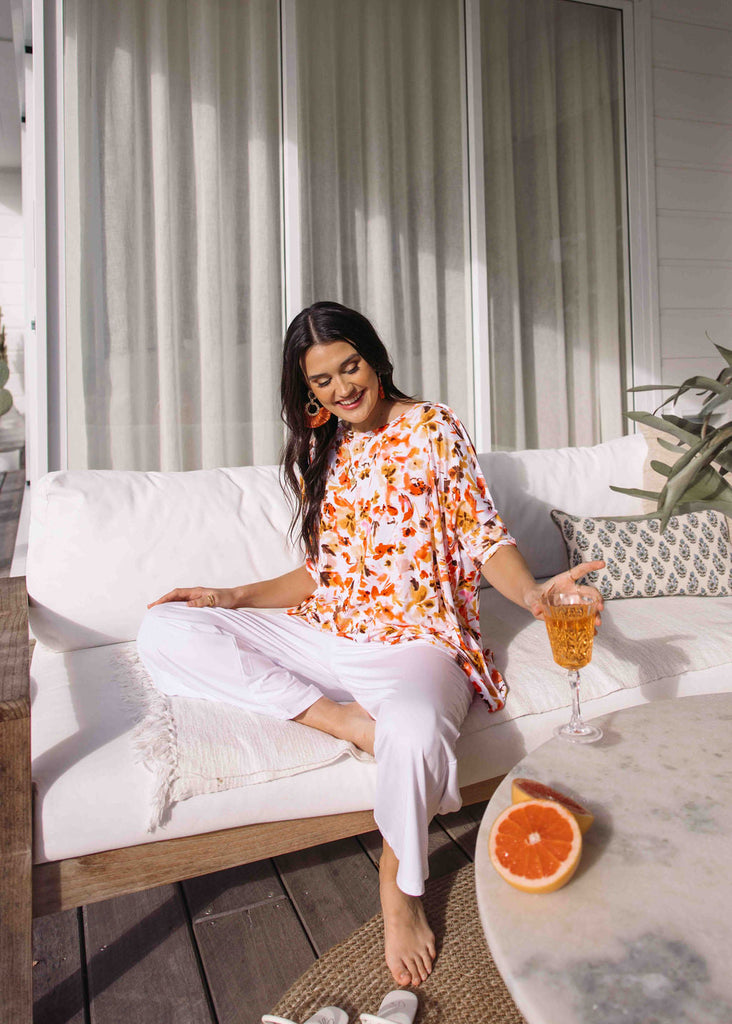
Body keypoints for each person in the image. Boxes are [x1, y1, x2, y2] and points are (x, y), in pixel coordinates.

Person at [137, 301, 603, 988]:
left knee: (413, 732)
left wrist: (532, 595)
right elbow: (323, 572)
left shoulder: (432, 427)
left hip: (413, 644)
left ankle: (399, 886)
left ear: (374, 358)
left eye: (348, 367)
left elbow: (485, 536)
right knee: (164, 627)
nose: (340, 389)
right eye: (321, 382)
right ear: (309, 393)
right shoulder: (323, 448)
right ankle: (342, 721)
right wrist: (230, 596)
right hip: (322, 630)